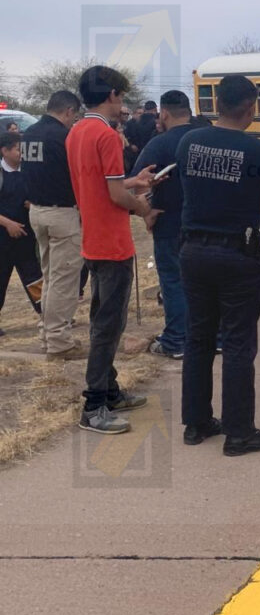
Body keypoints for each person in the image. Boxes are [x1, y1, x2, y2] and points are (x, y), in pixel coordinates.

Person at [176, 74, 260, 456]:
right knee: (238, 344)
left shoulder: (189, 142)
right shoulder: (259, 153)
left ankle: (196, 422)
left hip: (193, 251)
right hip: (238, 254)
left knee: (199, 338)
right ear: (252, 107)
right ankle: (239, 433)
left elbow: (188, 186)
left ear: (217, 103)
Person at [67, 66, 154, 434]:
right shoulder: (106, 135)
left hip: (93, 237)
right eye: (122, 96)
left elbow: (100, 185)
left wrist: (131, 182)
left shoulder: (76, 131)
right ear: (113, 95)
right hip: (112, 242)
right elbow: (116, 195)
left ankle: (110, 389)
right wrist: (142, 204)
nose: (124, 105)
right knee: (108, 325)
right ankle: (94, 404)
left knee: (105, 320)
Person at [131, 90, 195, 358]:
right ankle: (213, 338)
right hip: (206, 224)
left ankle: (176, 340)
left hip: (168, 221)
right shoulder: (207, 138)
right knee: (204, 283)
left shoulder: (159, 144)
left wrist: (145, 211)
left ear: (164, 113)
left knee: (172, 280)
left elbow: (136, 183)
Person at [21, 90, 85, 358]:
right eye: (74, 116)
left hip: (37, 211)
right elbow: (76, 176)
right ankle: (59, 342)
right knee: (64, 281)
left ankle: (48, 335)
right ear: (69, 111)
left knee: (50, 277)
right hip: (62, 214)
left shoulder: (29, 133)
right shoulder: (63, 137)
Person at [0, 132, 43, 335]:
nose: (21, 153)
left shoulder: (28, 171)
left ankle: (47, 315)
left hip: (26, 238)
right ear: (5, 150)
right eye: (18, 149)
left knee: (34, 277)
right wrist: (8, 224)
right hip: (2, 241)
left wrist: (31, 205)